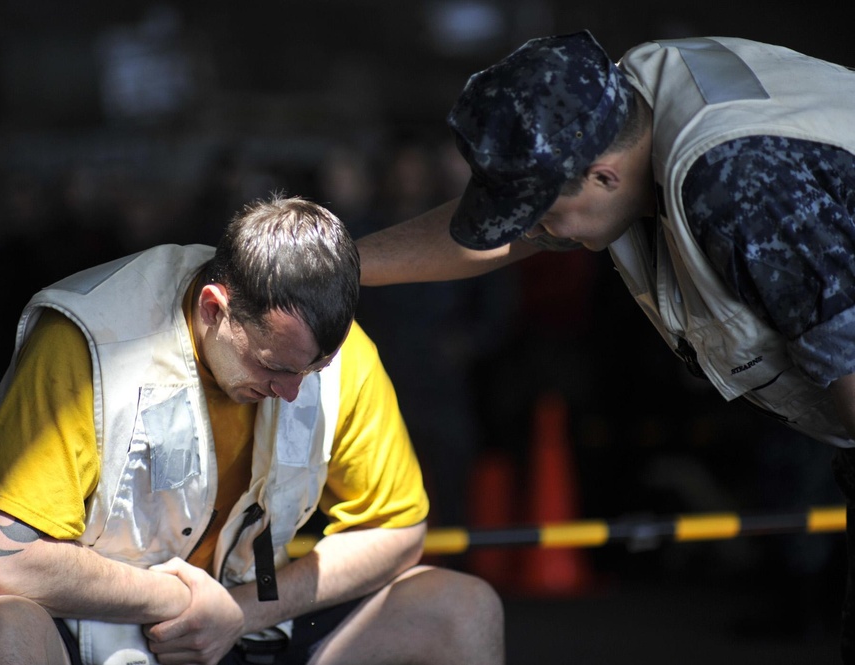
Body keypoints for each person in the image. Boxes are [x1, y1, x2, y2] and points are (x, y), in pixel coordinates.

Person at [355, 30, 855, 660]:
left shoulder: (736, 183)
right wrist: (335, 263)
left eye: (540, 214)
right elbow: (498, 236)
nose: (535, 233)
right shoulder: (618, 102)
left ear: (603, 175)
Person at [0, 194, 505, 665]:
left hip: (238, 613)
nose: (293, 391)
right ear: (213, 308)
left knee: (462, 608)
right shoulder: (88, 342)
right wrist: (183, 601)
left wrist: (242, 612)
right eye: (272, 366)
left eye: (313, 369)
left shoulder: (339, 355)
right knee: (3, 628)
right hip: (81, 613)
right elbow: (4, 563)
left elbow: (399, 531)